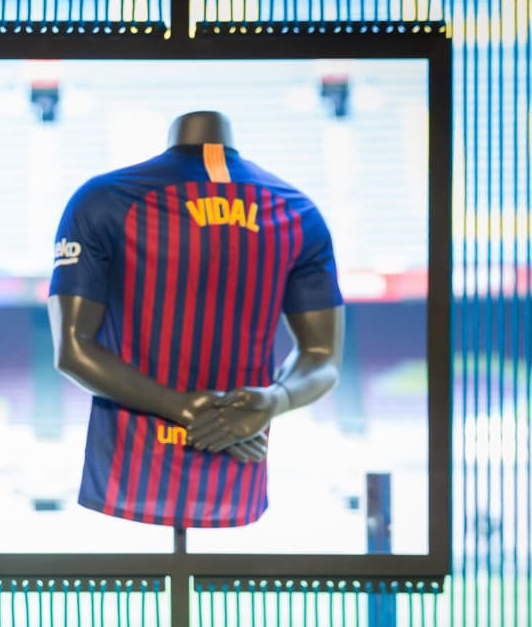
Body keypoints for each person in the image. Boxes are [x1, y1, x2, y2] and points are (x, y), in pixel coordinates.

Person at [48, 111, 343, 528]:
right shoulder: (298, 211)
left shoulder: (101, 198)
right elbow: (322, 358)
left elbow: (73, 349)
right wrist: (272, 400)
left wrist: (188, 407)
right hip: (235, 466)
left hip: (131, 480)